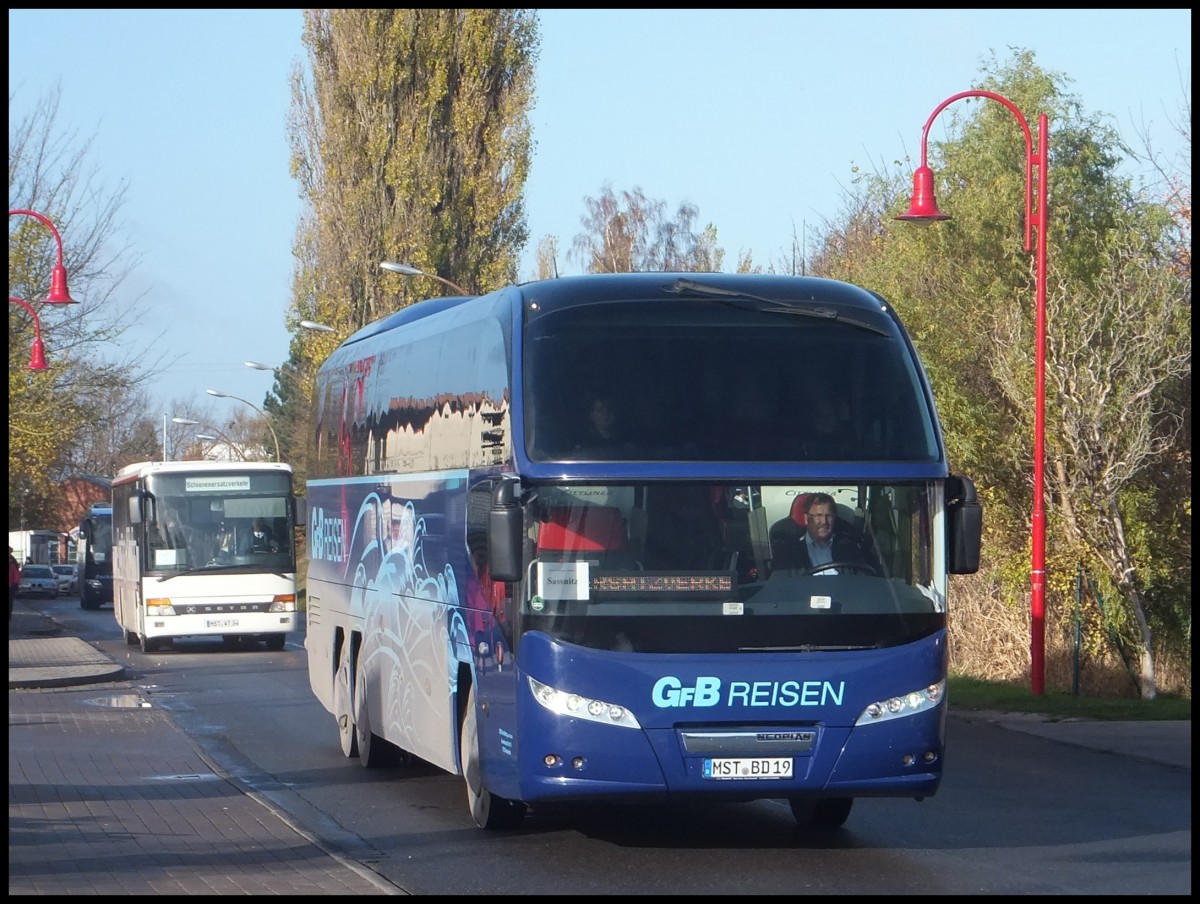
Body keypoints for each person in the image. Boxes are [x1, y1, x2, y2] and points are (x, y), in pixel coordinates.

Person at [771, 492, 874, 576]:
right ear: (806, 519)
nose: (824, 521)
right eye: (818, 516)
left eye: (829, 516)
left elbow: (864, 582)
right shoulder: (789, 553)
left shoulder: (849, 549)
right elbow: (779, 589)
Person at [9, 546, 21, 621]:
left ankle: (9, 615)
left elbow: (16, 574)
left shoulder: (13, 562)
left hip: (10, 586)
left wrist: (15, 584)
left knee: (10, 601)